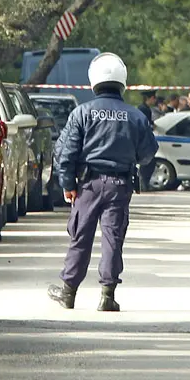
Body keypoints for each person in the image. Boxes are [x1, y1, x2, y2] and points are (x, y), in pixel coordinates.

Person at [48, 52, 159, 312]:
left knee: (80, 237)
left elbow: (65, 153)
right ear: (122, 81)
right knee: (113, 237)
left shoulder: (81, 113)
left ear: (93, 80)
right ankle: (107, 296)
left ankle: (68, 292)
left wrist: (68, 185)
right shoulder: (135, 117)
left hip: (87, 185)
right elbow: (148, 153)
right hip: (120, 186)